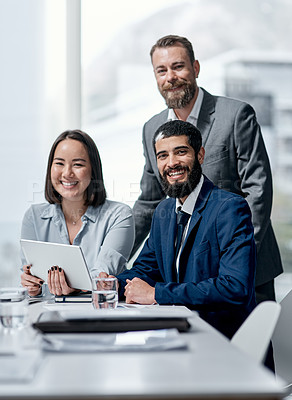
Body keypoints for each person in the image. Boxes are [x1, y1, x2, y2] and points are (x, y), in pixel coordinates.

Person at [132, 34, 282, 304]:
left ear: (196, 68)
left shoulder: (235, 115)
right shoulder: (152, 129)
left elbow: (257, 192)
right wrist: (110, 260)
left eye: (178, 66)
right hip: (188, 273)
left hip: (245, 268)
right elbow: (149, 201)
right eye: (161, 71)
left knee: (249, 343)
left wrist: (236, 256)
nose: (171, 77)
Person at [101, 120, 256, 340]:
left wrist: (156, 294)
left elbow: (234, 287)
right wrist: (110, 284)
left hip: (223, 343)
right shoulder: (164, 210)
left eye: (181, 152)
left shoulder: (229, 208)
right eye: (163, 156)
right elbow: (147, 269)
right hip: (177, 336)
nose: (171, 163)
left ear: (200, 155)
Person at [20, 129, 135, 297]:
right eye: (59, 163)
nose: (67, 173)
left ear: (93, 170)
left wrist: (73, 285)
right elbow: (29, 276)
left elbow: (102, 277)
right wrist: (31, 286)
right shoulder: (34, 217)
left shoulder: (120, 215)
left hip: (101, 312)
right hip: (50, 314)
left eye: (78, 164)